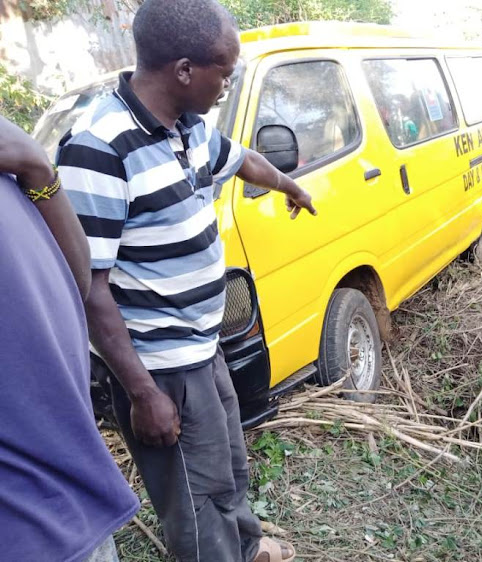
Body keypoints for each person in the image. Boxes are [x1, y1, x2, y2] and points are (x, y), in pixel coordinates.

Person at [57, 0, 316, 560]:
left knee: (227, 470)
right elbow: (89, 289)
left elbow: (242, 158)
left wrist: (289, 186)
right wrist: (144, 393)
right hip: (159, 369)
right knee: (194, 505)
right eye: (225, 71)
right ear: (184, 70)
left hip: (203, 346)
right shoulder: (98, 149)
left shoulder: (188, 128)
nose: (228, 83)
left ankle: (247, 551)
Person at [0, 115, 140, 561]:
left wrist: (39, 170)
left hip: (75, 495)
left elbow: (74, 283)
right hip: (26, 526)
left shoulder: (10, 155)